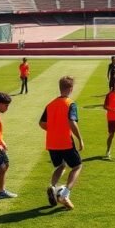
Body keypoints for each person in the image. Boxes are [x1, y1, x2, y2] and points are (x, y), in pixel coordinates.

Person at [40, 76, 84, 210]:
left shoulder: (50, 104)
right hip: (65, 141)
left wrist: (54, 129)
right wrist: (80, 139)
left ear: (60, 88)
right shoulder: (70, 103)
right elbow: (72, 122)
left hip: (52, 142)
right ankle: (65, 194)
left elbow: (42, 123)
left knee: (61, 165)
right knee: (77, 167)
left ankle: (52, 186)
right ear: (71, 89)